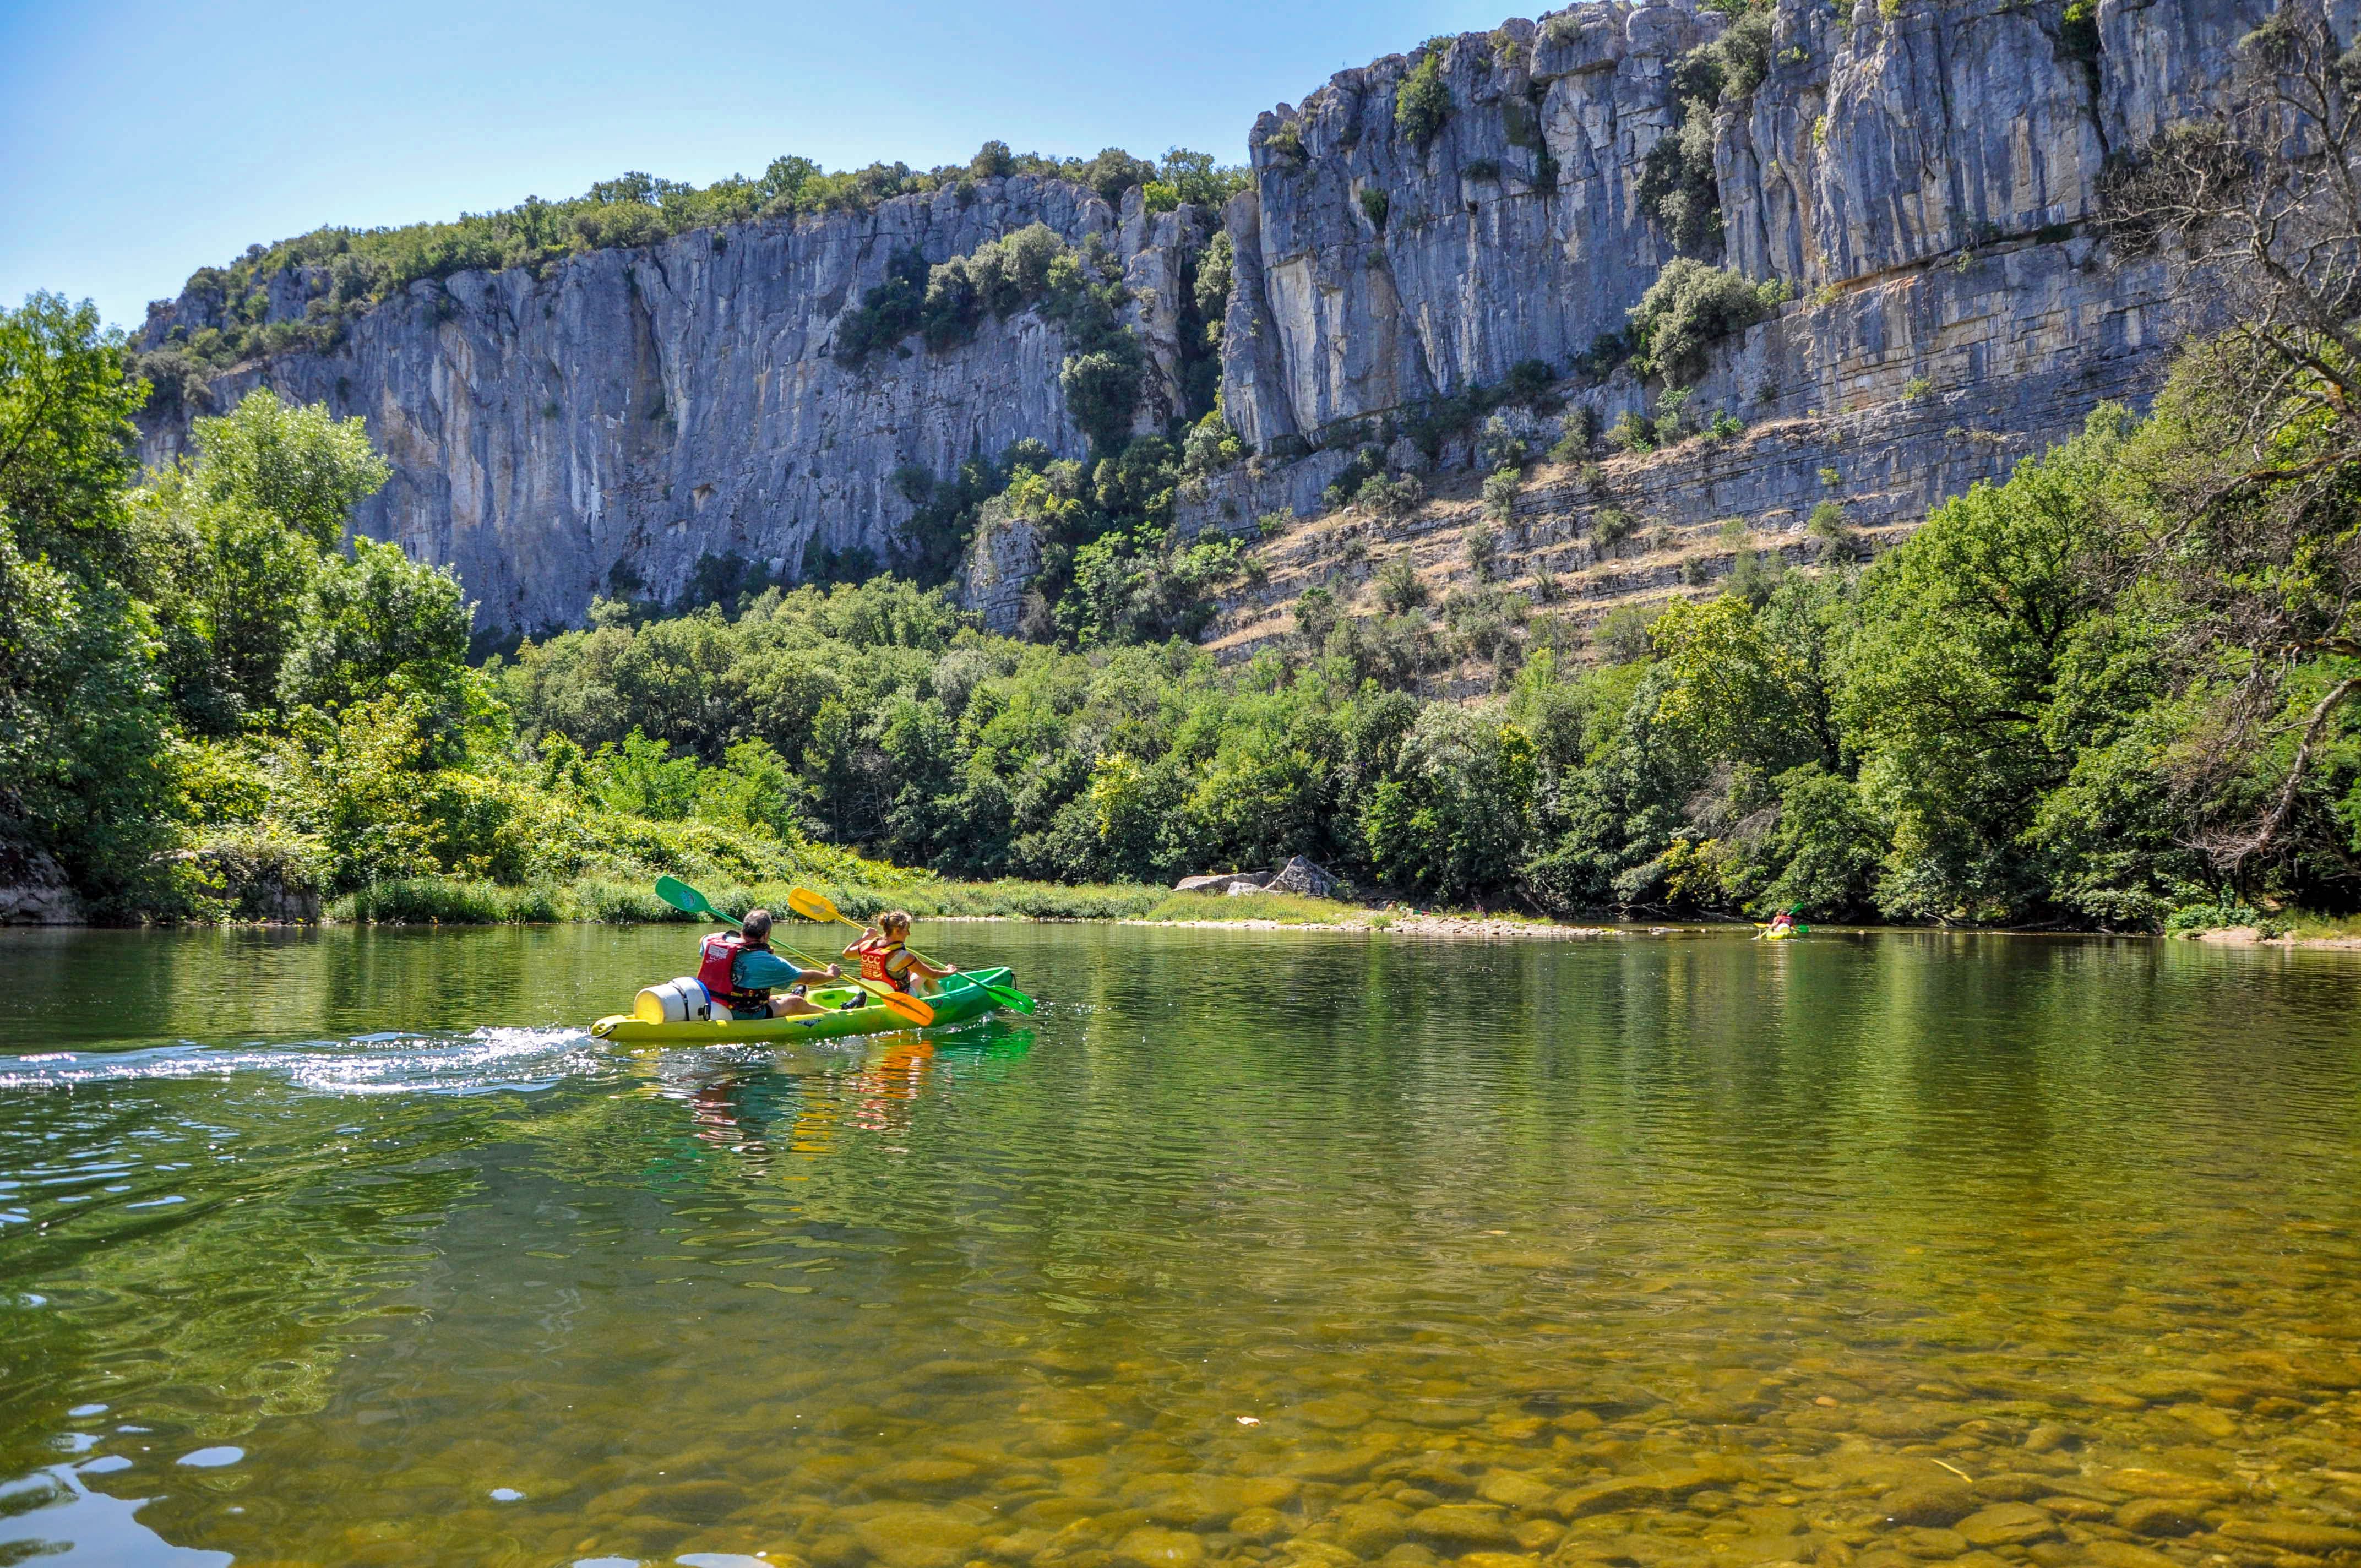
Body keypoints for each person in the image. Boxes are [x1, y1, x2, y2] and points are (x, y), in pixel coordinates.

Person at [697, 908, 841, 1020]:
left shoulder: (712, 944)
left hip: (709, 1003)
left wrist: (731, 938)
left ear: (743, 929)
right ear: (766, 935)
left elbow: (704, 938)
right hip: (741, 1012)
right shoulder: (768, 962)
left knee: (772, 998)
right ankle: (837, 1016)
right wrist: (831, 975)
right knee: (795, 1002)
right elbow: (808, 979)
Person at [844, 910, 958, 996]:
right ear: (897, 930)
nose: (908, 934)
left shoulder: (867, 945)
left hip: (870, 994)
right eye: (907, 929)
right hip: (898, 999)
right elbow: (933, 975)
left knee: (910, 971)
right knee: (921, 973)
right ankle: (943, 999)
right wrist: (948, 972)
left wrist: (865, 938)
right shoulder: (902, 956)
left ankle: (926, 997)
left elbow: (847, 954)